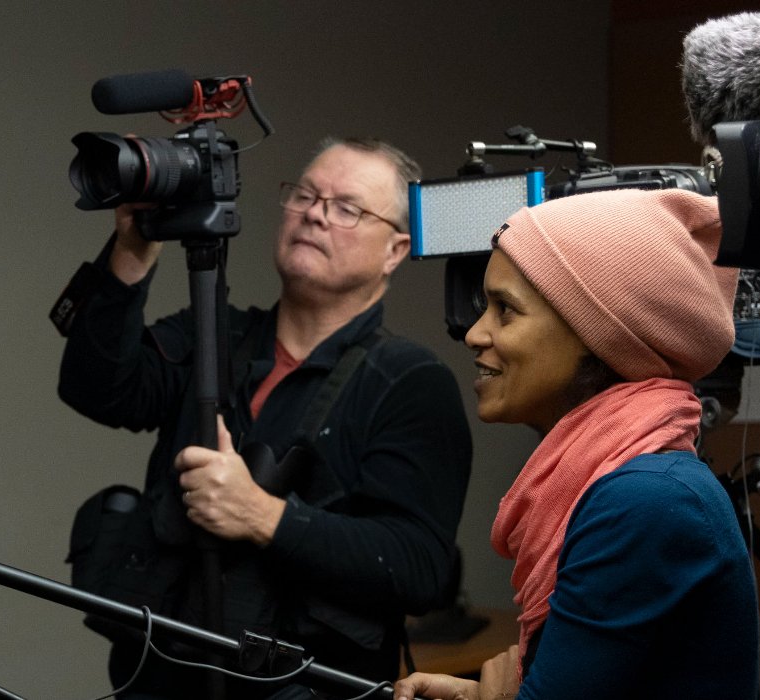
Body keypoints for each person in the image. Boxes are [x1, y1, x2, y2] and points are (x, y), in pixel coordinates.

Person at [58, 137, 473, 698]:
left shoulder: (410, 381)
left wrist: (263, 516)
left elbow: (420, 568)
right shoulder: (213, 332)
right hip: (160, 681)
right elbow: (96, 389)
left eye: (347, 207)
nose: (315, 214)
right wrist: (134, 250)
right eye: (304, 195)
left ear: (395, 251)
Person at [392, 189, 760, 700]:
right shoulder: (634, 482)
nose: (475, 334)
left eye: (505, 310)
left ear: (598, 333)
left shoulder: (647, 500)